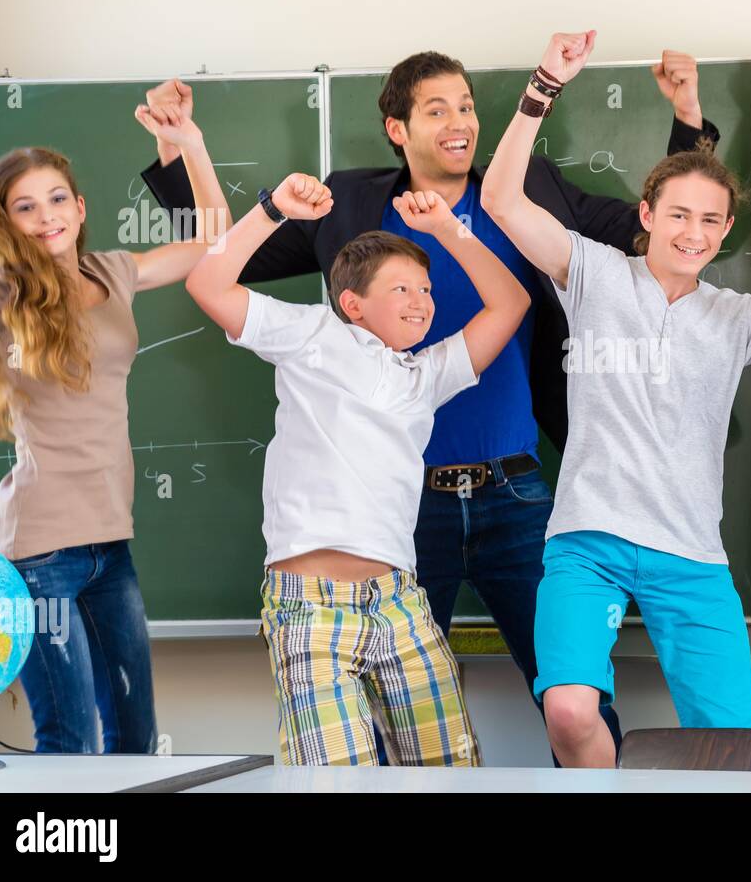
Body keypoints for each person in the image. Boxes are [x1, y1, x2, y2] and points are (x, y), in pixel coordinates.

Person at [138, 48, 717, 754]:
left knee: (575, 695)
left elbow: (648, 230)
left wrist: (689, 118)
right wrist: (178, 155)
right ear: (396, 128)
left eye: (468, 106)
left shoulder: (524, 189)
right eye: (436, 109)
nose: (459, 122)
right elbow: (234, 263)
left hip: (517, 492)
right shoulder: (350, 204)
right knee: (397, 721)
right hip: (403, 515)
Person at [482, 30, 751, 767]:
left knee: (733, 747)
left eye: (709, 221)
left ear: (726, 231)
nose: (692, 232)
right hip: (587, 541)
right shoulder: (594, 275)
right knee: (568, 708)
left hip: (690, 555)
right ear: (647, 214)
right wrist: (543, 85)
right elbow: (501, 198)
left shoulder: (734, 317)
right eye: (678, 215)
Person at [183, 159, 529, 765]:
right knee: (338, 780)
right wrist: (272, 211)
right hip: (308, 602)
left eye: (425, 290)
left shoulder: (425, 375)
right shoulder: (311, 334)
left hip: (399, 600)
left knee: (451, 772)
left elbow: (509, 303)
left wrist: (451, 232)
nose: (422, 302)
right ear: (352, 302)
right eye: (402, 289)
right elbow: (208, 285)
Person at [0, 103, 228, 753]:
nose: (46, 214)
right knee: (69, 739)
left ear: (81, 208)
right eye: (24, 207)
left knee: (135, 737)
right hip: (37, 555)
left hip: (111, 546)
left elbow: (218, 243)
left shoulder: (113, 271)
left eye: (57, 197)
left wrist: (188, 143)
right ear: (2, 225)